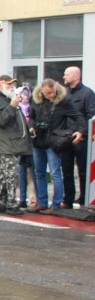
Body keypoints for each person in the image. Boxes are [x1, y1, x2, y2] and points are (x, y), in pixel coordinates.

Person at [28, 79, 85, 213]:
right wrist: (31, 127)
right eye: (48, 93)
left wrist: (80, 131)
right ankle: (41, 202)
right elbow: (32, 118)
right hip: (38, 140)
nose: (51, 95)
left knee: (55, 173)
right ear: (42, 91)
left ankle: (56, 204)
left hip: (54, 141)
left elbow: (78, 117)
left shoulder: (63, 101)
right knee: (39, 173)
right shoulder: (35, 100)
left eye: (53, 92)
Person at [0, 75, 32, 215]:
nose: (12, 87)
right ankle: (11, 204)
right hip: (5, 144)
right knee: (11, 174)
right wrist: (12, 106)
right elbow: (0, 120)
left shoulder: (6, 100)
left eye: (13, 84)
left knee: (3, 175)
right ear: (1, 84)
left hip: (10, 143)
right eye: (9, 84)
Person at [61, 66, 95, 208]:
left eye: (66, 74)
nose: (64, 77)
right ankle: (68, 199)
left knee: (83, 171)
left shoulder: (87, 93)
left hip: (82, 139)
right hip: (66, 138)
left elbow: (90, 115)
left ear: (76, 76)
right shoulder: (65, 93)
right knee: (67, 170)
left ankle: (83, 199)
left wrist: (82, 132)